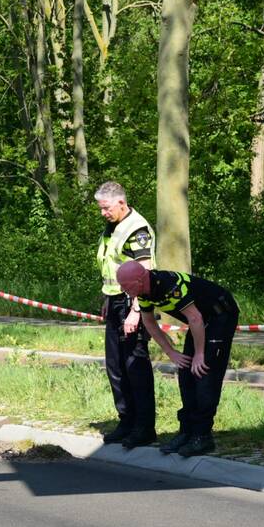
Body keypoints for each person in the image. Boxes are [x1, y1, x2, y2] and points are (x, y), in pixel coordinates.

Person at [116, 261, 239, 457]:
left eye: (125, 285)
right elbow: (149, 322)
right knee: (186, 372)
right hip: (201, 319)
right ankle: (187, 431)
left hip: (220, 315)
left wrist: (200, 354)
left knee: (203, 372)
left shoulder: (169, 286)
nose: (123, 290)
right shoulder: (143, 293)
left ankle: (202, 436)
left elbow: (195, 318)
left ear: (139, 280)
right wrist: (171, 352)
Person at [94, 182, 156, 448]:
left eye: (106, 208)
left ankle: (144, 428)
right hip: (115, 301)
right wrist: (108, 299)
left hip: (134, 303)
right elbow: (111, 266)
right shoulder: (112, 226)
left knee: (135, 367)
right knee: (116, 366)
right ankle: (126, 421)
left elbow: (144, 273)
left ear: (121, 202)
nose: (103, 213)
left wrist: (136, 311)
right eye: (101, 208)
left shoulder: (137, 229)